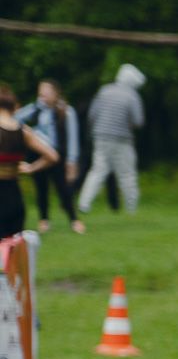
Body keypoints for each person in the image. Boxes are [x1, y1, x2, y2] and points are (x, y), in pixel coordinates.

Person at [15, 79, 85, 234]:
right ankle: (44, 220)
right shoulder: (36, 110)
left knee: (63, 189)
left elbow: (73, 138)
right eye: (41, 93)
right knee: (41, 188)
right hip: (38, 154)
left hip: (57, 155)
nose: (43, 96)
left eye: (46, 93)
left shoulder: (66, 111)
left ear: (56, 93)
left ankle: (74, 219)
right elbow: (15, 118)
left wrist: (72, 161)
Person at [78, 63, 145, 214]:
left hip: (100, 137)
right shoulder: (132, 96)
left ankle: (84, 203)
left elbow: (92, 114)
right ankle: (131, 207)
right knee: (127, 173)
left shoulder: (105, 91)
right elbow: (138, 121)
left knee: (98, 170)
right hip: (122, 140)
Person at [0, 84, 59, 239]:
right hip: (15, 197)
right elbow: (52, 156)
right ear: (13, 108)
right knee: (12, 253)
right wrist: (31, 168)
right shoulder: (23, 131)